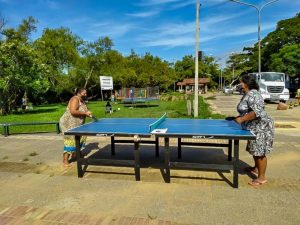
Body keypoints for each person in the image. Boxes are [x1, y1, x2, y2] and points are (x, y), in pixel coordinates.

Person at [234, 74, 274, 187]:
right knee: (255, 149)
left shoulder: (254, 94)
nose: (239, 84)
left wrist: (241, 119)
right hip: (254, 127)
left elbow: (257, 112)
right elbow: (247, 109)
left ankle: (261, 177)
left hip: (261, 127)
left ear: (246, 83)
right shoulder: (247, 94)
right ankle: (256, 168)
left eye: (241, 82)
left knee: (259, 152)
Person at [59, 88, 92, 167]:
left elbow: (83, 110)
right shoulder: (75, 99)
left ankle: (76, 154)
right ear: (78, 93)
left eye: (86, 93)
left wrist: (88, 113)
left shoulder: (81, 100)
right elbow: (73, 111)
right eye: (84, 93)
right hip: (68, 124)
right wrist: (85, 113)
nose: (86, 94)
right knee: (71, 141)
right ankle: (65, 160)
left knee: (80, 138)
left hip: (77, 124)